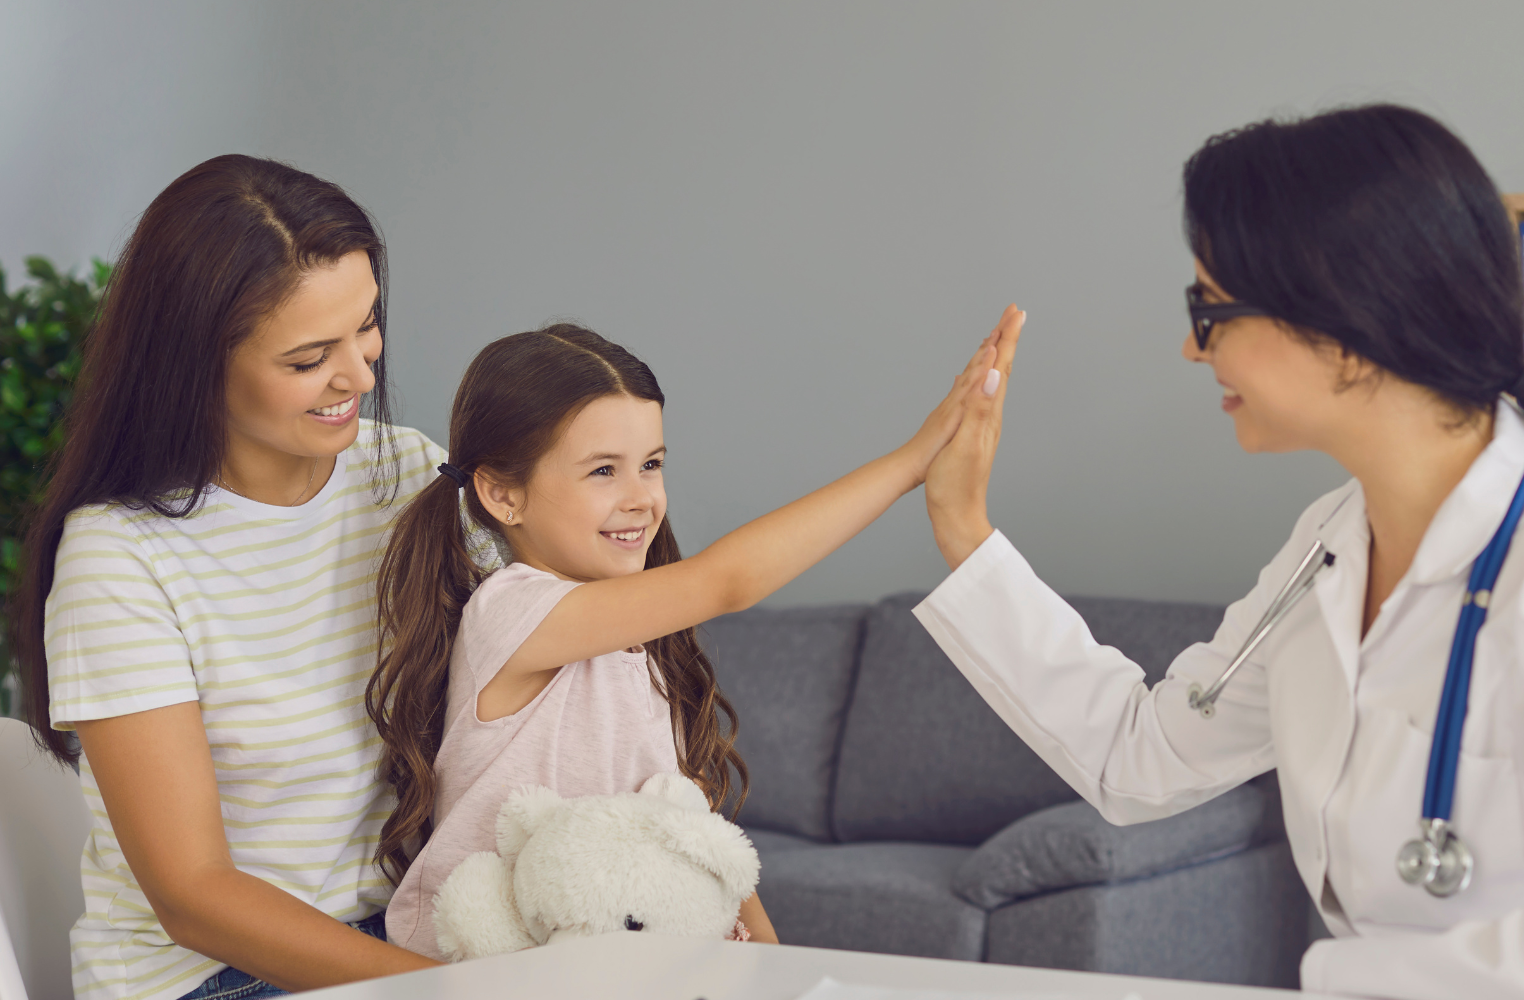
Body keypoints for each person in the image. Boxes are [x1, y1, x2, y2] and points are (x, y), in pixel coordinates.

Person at [915, 105, 1524, 1000]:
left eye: (1209, 310)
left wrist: (1344, 977)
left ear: (1343, 329)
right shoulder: (1330, 545)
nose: (1190, 347)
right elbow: (1139, 756)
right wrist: (962, 525)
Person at [370, 317, 1017, 959]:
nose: (641, 497)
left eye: (650, 465)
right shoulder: (509, 613)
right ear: (502, 494)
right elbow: (728, 581)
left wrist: (772, 962)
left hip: (626, 961)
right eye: (603, 471)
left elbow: (690, 821)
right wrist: (911, 463)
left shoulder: (638, 647)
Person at [10, 156, 498, 998]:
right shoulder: (120, 558)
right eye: (308, 358)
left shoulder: (407, 474)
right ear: (195, 365)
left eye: (367, 326)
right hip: (215, 974)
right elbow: (195, 897)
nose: (360, 375)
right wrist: (446, 991)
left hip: (404, 930)